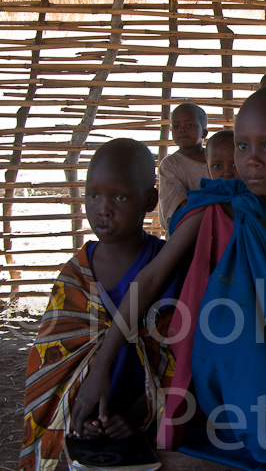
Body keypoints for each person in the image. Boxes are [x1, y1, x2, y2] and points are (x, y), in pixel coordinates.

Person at [70, 86, 266, 471]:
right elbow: (149, 281)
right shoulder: (215, 211)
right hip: (210, 393)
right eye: (243, 146)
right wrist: (101, 365)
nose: (251, 161)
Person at [20, 139, 182, 471]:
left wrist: (140, 410)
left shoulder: (167, 267)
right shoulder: (75, 277)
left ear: (149, 201)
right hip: (83, 425)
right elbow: (52, 364)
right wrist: (79, 411)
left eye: (119, 197)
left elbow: (183, 354)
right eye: (93, 195)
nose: (103, 209)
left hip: (149, 425)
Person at [158, 102, 210, 235]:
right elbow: (178, 202)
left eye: (190, 125)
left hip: (220, 227)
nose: (182, 129)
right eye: (176, 126)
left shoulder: (217, 160)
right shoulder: (170, 164)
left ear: (204, 132)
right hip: (186, 232)